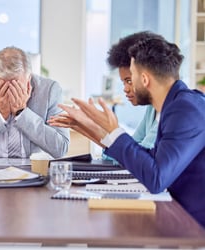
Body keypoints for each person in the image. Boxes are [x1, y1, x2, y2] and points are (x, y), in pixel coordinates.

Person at [48, 32, 205, 227]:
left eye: (131, 77)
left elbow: (156, 178)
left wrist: (112, 130)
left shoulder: (186, 109)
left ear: (145, 79)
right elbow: (150, 158)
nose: (125, 87)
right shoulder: (174, 104)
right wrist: (97, 129)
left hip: (193, 224)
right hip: (178, 214)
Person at [0, 46, 70, 158]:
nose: (11, 92)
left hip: (34, 169)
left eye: (16, 85)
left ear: (29, 78)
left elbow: (61, 148)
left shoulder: (50, 90)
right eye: (4, 85)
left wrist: (22, 113)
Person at [106, 31, 159, 149]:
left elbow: (139, 155)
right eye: (123, 82)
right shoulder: (152, 109)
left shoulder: (171, 109)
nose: (125, 89)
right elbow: (132, 147)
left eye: (129, 81)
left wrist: (104, 131)